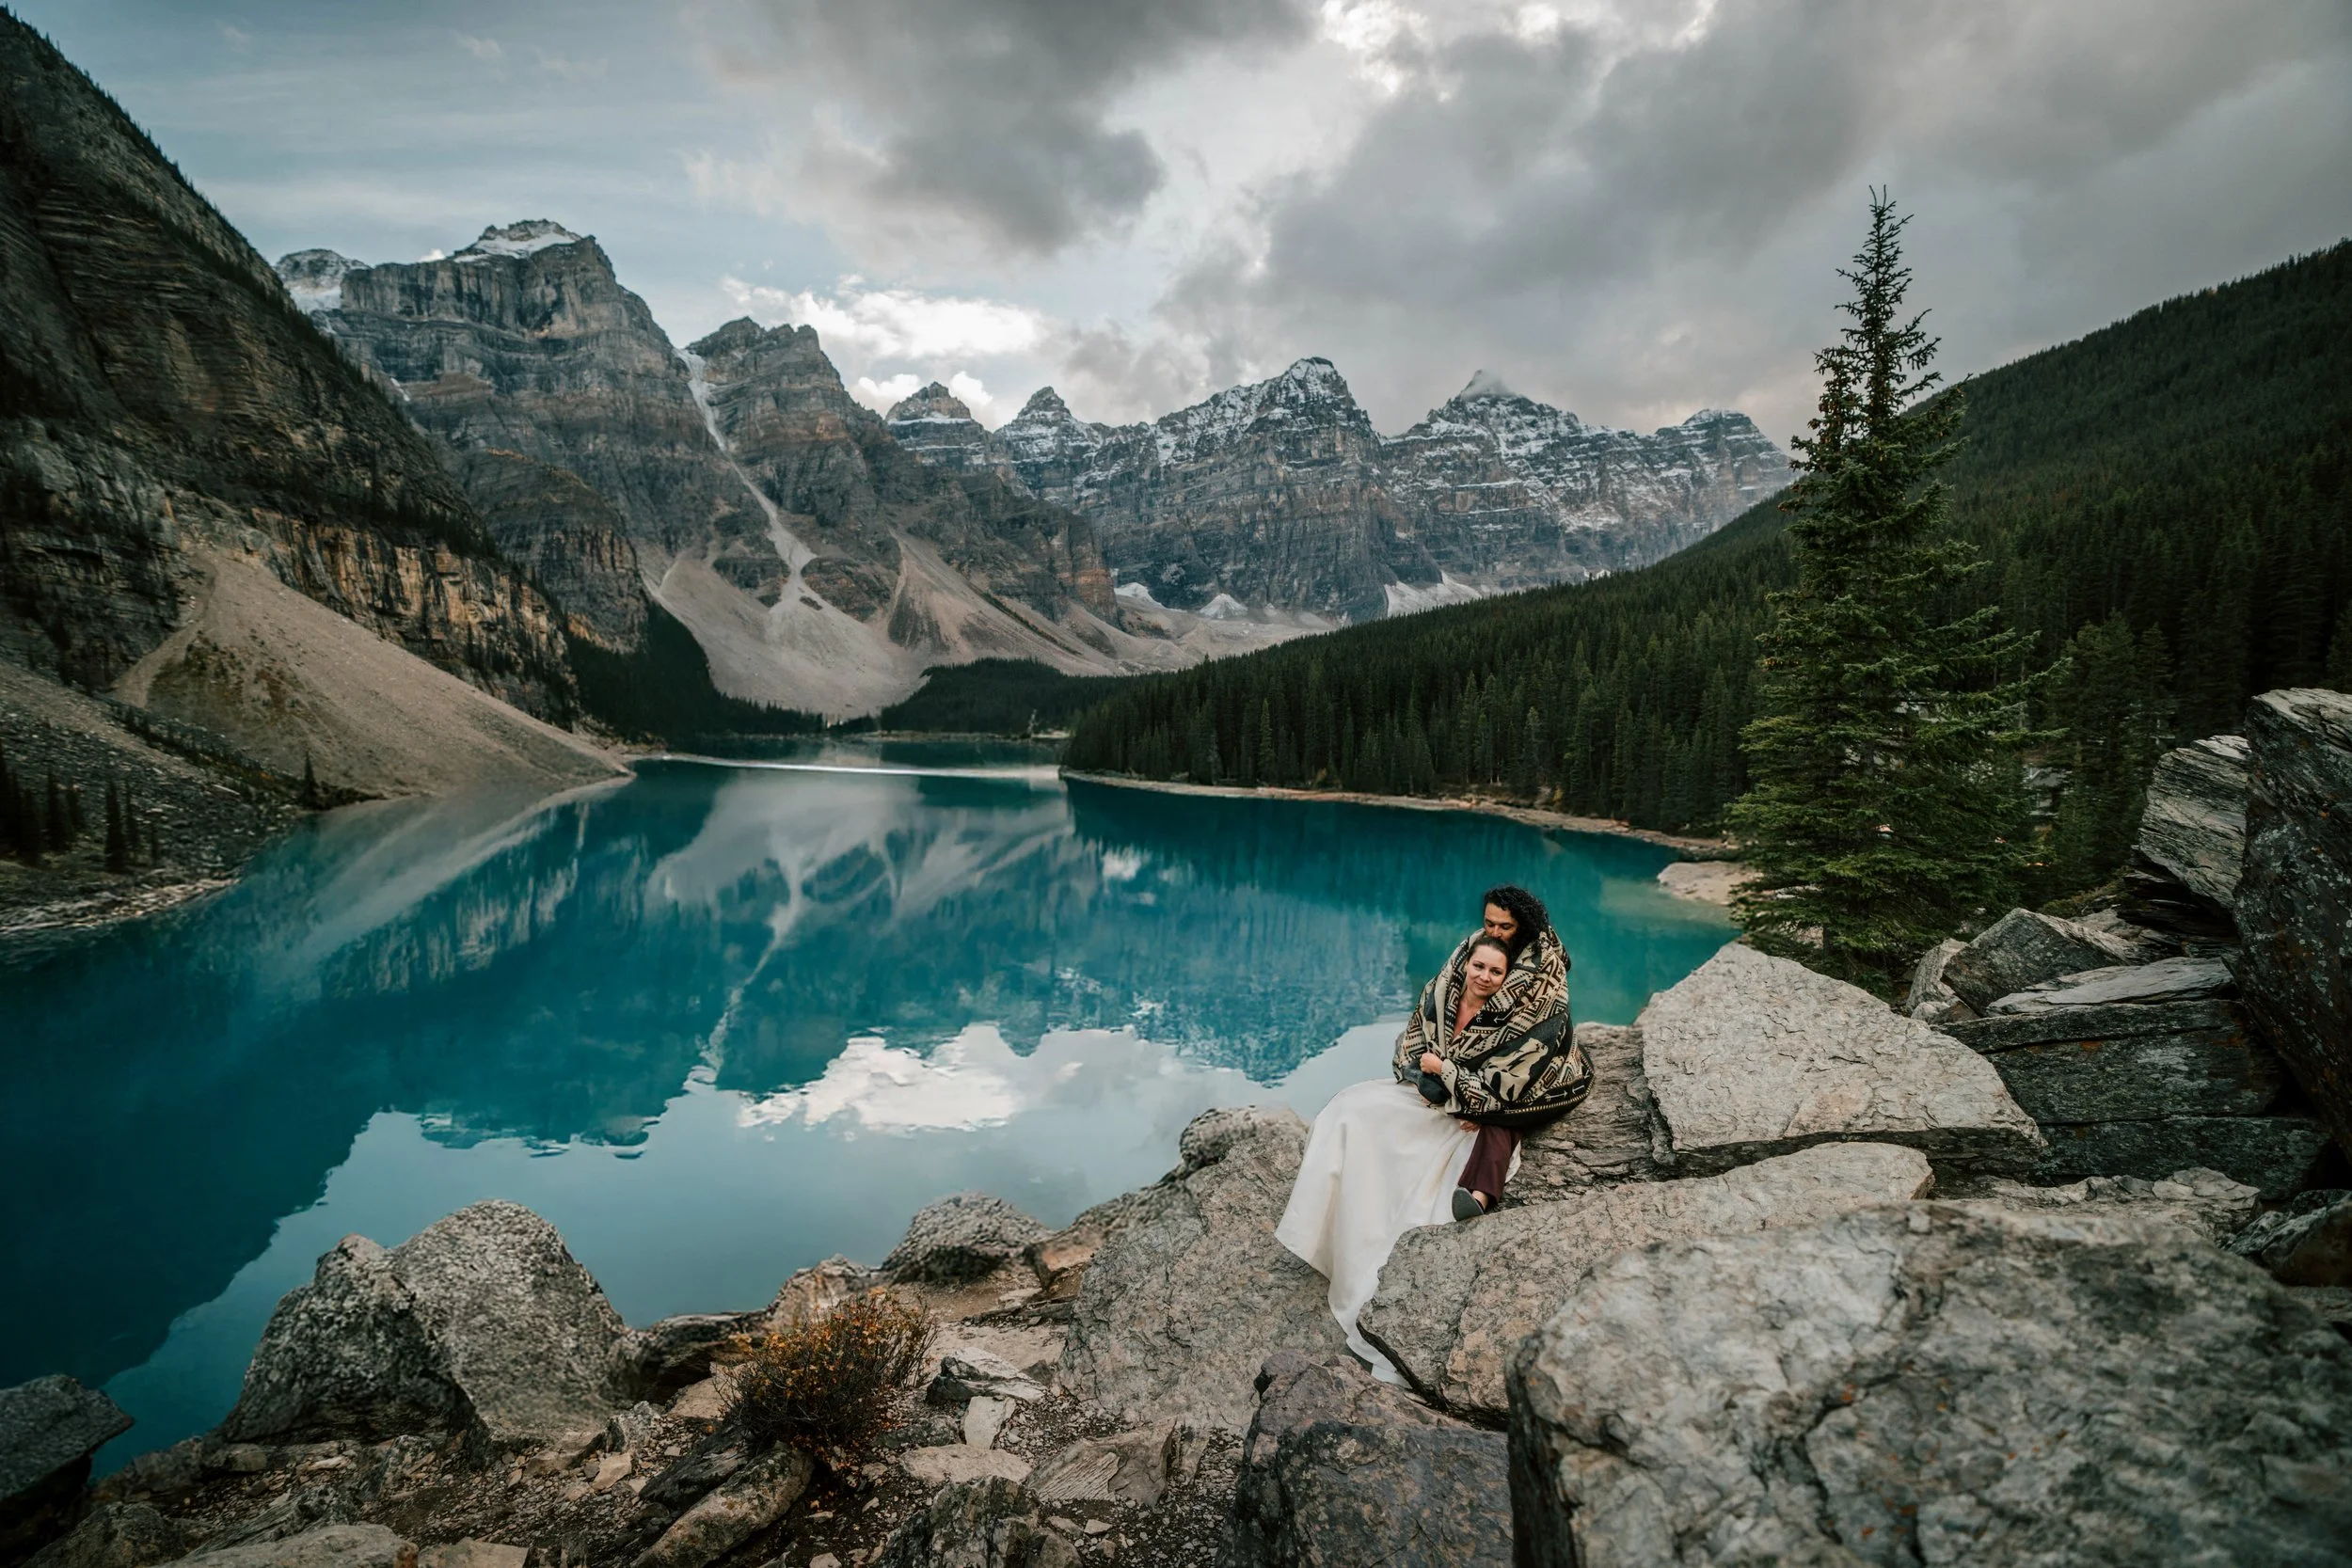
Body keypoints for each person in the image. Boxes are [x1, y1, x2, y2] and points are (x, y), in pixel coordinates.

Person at [1275, 886, 1584, 1375]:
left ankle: (1480, 1188)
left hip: (1533, 1076)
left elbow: (1530, 1049)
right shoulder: (1472, 949)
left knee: (1502, 1115)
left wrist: (1463, 1088)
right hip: (1449, 1074)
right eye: (1490, 923)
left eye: (1505, 928)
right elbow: (1427, 1013)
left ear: (1524, 925)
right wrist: (1424, 1072)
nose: (1495, 933)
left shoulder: (1545, 974)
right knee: (1354, 1112)